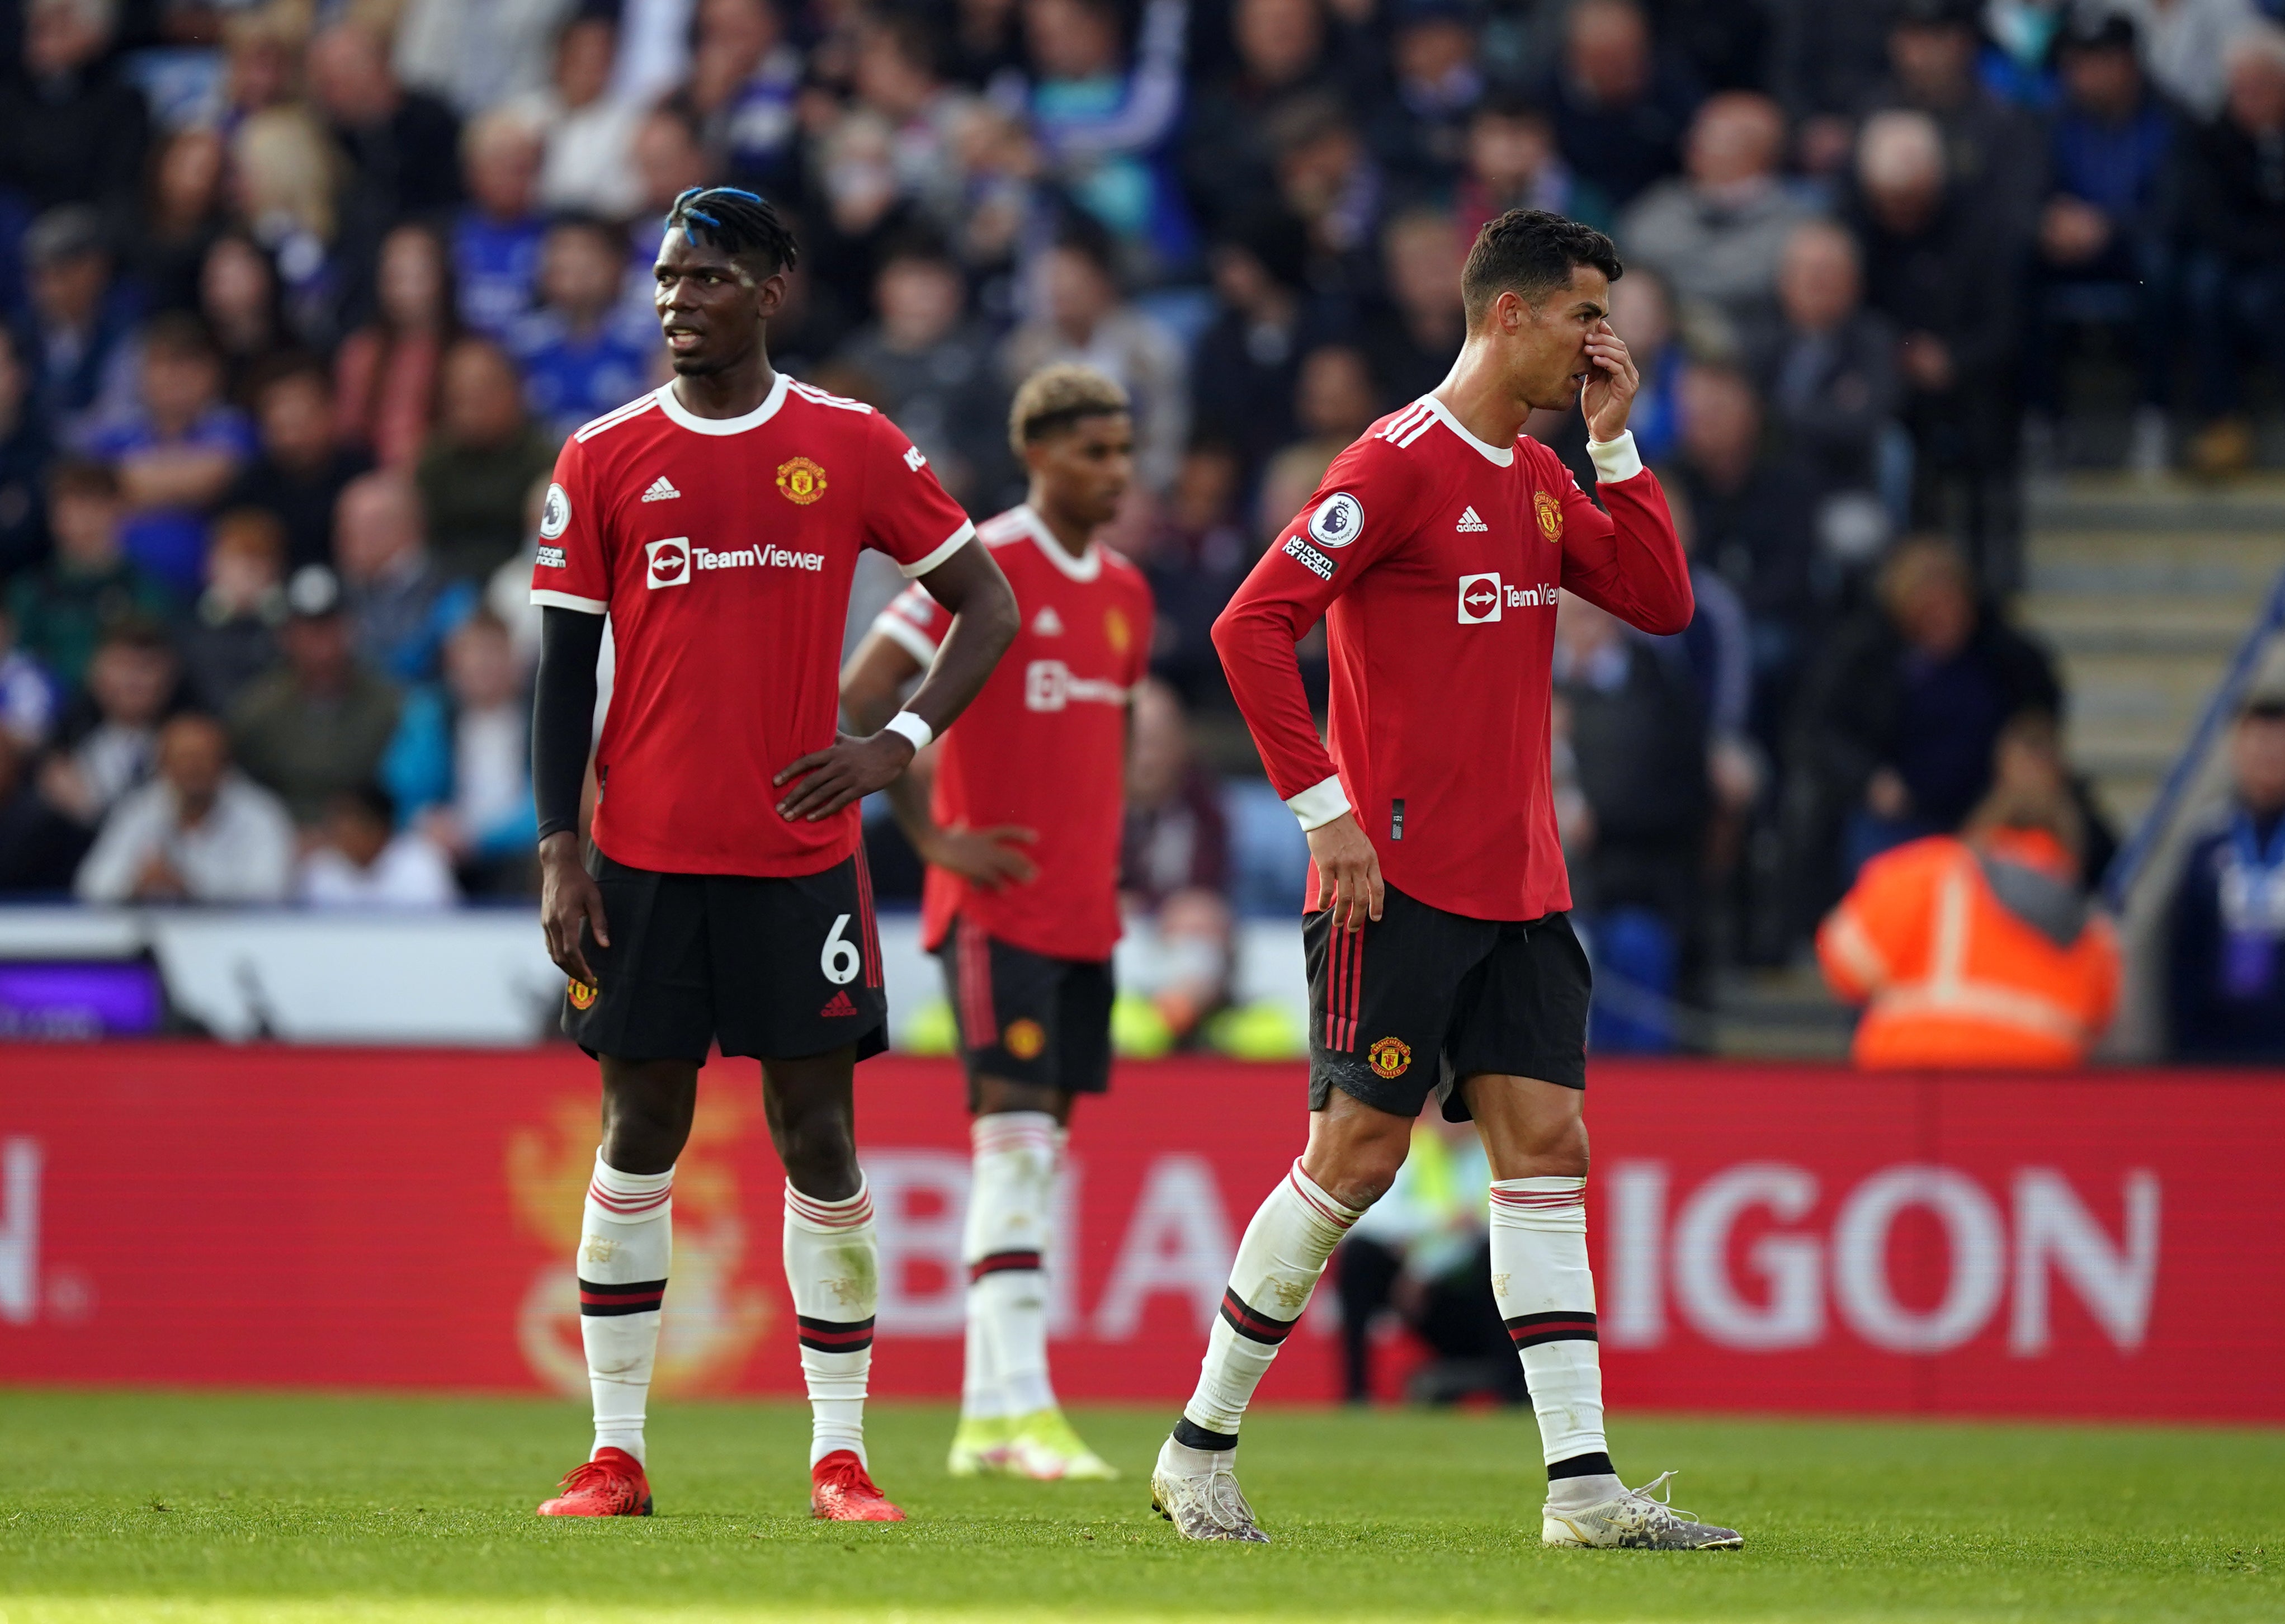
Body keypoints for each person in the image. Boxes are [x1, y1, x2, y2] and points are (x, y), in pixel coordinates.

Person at [1169, 209, 1738, 1549]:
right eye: (1583, 314)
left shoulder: (1542, 477)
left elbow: (1659, 598)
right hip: (1395, 881)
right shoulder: (1394, 465)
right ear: (1508, 314)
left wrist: (1610, 439)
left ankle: (1583, 1492)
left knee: (1547, 1151)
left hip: (1523, 886)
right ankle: (1196, 1448)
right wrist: (1326, 815)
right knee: (1353, 1155)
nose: (1603, 337)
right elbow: (1247, 624)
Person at [526, 186, 1018, 1523]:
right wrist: (559, 842)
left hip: (800, 860)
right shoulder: (605, 454)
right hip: (639, 856)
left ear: (770, 289)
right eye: (668, 277)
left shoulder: (847, 444)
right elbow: (563, 671)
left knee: (820, 1137)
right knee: (639, 1127)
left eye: (708, 276)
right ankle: (613, 1451)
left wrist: (896, 738)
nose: (678, 298)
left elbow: (987, 601)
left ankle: (839, 1457)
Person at [840, 363, 1148, 1483]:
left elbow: (1107, 749)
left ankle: (984, 1420)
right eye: (1095, 452)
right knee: (1013, 1157)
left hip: (1082, 914)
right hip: (999, 909)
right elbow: (866, 693)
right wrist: (929, 836)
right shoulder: (983, 566)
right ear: (1040, 454)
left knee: (1040, 1161)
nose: (1117, 472)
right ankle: (1022, 1413)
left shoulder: (1126, 589)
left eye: (1123, 452)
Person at [1817, 711, 2121, 1068]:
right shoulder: (2094, 932)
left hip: (1914, 1089)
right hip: (2034, 1107)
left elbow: (1842, 963)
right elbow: (2103, 1025)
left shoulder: (1929, 876)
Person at [81, 314, 257, 598]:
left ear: (213, 373)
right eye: (163, 364)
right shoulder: (114, 436)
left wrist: (130, 486)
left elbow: (211, 478)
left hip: (207, 596)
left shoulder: (232, 428)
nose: (174, 377)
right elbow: (94, 494)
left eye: (186, 365)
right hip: (120, 593)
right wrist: (182, 481)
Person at [228, 564, 405, 827]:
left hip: (367, 842)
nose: (322, 649)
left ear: (351, 631)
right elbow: (241, 794)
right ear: (286, 637)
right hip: (281, 841)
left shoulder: (391, 706)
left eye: (331, 630)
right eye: (309, 633)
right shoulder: (256, 710)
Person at [2166, 687, 2285, 1061]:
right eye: (2258, 744)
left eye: (2278, 746)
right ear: (2237, 750)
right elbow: (2185, 948)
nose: (2268, 756)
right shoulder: (2208, 838)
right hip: (2215, 1046)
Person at [74, 711, 295, 904]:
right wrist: (136, 884)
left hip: (237, 940)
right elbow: (91, 885)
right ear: (163, 766)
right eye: (183, 759)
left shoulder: (260, 814)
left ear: (225, 764)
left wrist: (192, 887)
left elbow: (272, 890)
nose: (193, 769)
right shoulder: (140, 809)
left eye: (203, 759)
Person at [7, 460, 173, 694]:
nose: (83, 518)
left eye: (94, 504)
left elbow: (156, 663)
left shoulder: (146, 589)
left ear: (119, 508)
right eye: (71, 506)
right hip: (48, 714)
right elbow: (19, 669)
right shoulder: (29, 590)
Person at [416, 337, 559, 582]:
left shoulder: (546, 462)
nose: (470, 410)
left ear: (513, 391)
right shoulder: (434, 463)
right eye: (459, 398)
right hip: (443, 587)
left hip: (521, 583)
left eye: (481, 395)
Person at [509, 216, 655, 445]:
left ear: (616, 266)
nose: (574, 262)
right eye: (562, 255)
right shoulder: (521, 343)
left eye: (586, 257)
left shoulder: (648, 341)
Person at [223, 357, 375, 572]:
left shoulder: (361, 473)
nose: (294, 438)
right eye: (283, 425)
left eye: (302, 421)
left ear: (330, 412)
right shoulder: (250, 486)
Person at [334, 471, 478, 685]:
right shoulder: (340, 592)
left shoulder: (452, 592)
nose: (347, 538)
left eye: (365, 526)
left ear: (409, 526)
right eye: (344, 526)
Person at [177, 508, 287, 716]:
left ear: (277, 569)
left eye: (258, 562)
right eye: (236, 559)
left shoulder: (292, 634)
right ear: (210, 566)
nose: (246, 572)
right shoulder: (188, 630)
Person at [298, 782, 459, 909]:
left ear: (378, 828)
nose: (335, 831)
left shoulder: (421, 864)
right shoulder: (322, 868)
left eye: (346, 823)